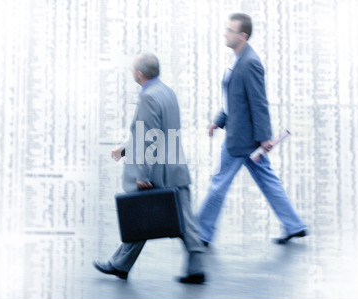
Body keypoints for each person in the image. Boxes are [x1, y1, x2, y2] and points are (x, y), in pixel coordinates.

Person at [93, 53, 205, 284]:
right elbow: (160, 132)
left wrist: (143, 174)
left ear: (140, 74)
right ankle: (195, 267)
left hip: (158, 170)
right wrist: (124, 149)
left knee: (139, 216)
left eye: (133, 70)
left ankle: (120, 264)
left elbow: (147, 137)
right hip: (175, 166)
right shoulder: (167, 92)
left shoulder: (148, 98)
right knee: (185, 220)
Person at [198, 13, 308, 246]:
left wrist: (264, 137)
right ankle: (294, 225)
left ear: (243, 36)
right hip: (244, 136)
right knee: (268, 181)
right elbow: (234, 100)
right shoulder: (239, 59)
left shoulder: (250, 62)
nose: (225, 34)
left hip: (241, 140)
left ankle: (200, 233)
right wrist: (218, 121)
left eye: (230, 30)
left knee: (218, 183)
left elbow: (259, 102)